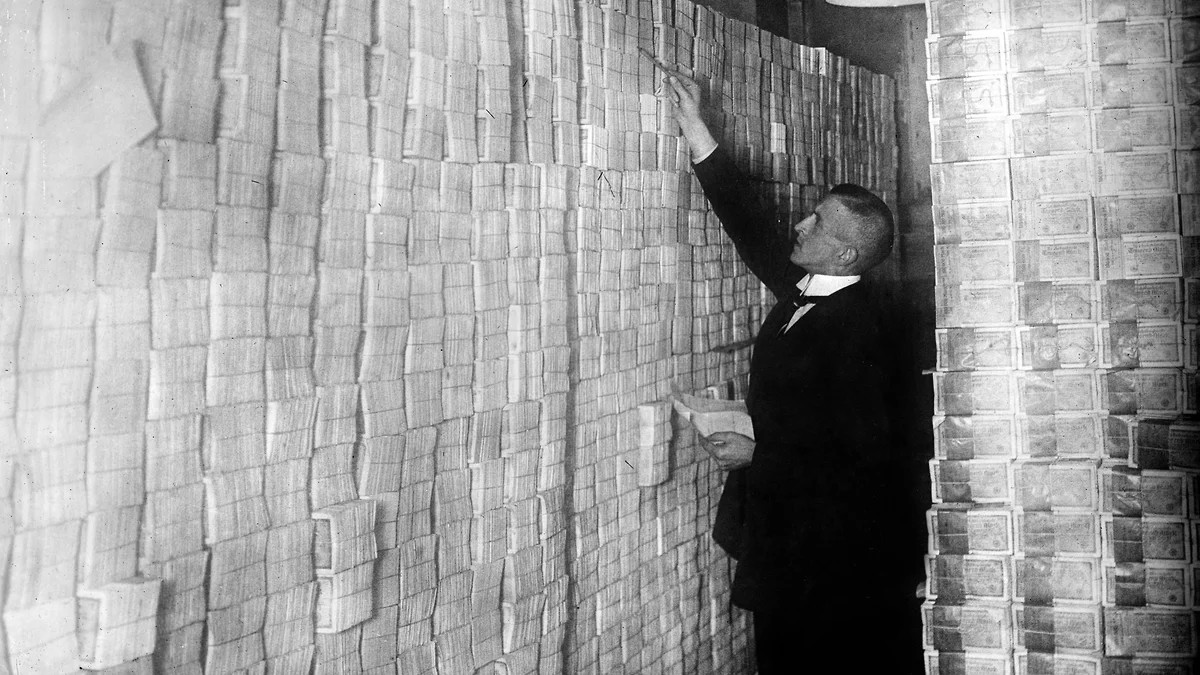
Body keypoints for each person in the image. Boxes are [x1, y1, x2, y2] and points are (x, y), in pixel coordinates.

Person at [661, 67, 922, 673]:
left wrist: (760, 454)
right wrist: (697, 129)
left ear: (846, 253)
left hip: (833, 559)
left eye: (817, 223)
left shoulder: (865, 330)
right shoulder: (812, 287)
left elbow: (866, 458)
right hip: (791, 542)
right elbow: (752, 227)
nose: (800, 224)